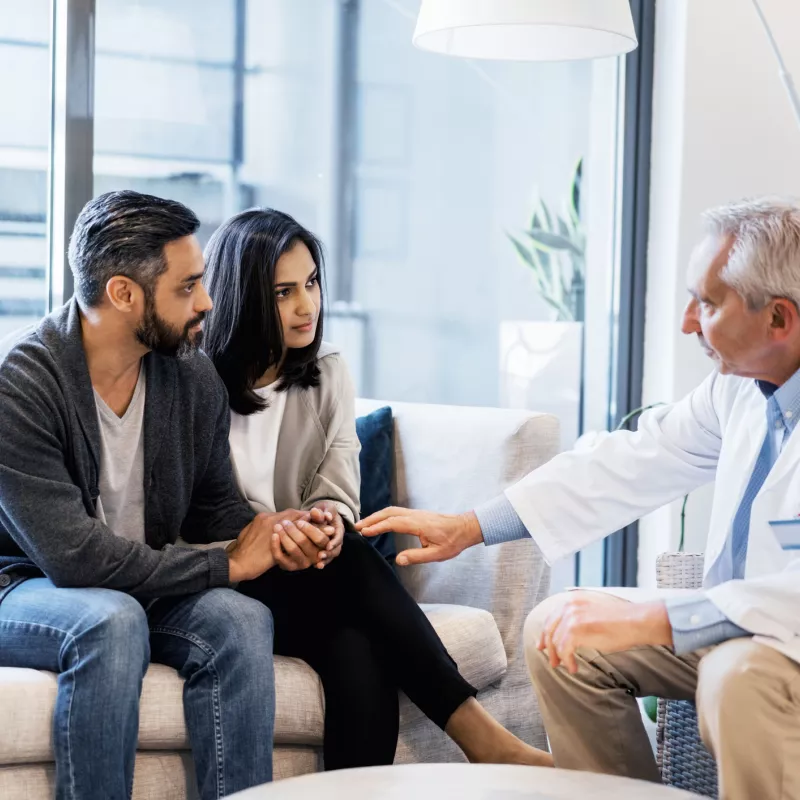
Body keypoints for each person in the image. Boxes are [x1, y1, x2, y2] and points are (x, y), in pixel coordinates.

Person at [358, 197, 800, 800]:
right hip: (743, 628)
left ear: (779, 320)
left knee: (735, 675)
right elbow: (630, 461)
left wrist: (657, 617)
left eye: (708, 303)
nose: (688, 323)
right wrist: (469, 525)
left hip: (773, 645)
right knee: (562, 630)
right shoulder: (743, 392)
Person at [0, 191, 330, 800]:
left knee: (241, 618)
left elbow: (216, 511)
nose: (207, 303)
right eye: (187, 287)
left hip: (140, 580)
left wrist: (279, 532)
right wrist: (225, 562)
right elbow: (71, 559)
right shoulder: (22, 382)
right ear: (124, 293)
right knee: (111, 621)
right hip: (26, 587)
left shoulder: (189, 373)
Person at [201, 207, 552, 771]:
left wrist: (321, 527)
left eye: (312, 283)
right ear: (243, 298)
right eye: (283, 292)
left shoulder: (327, 373)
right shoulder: (194, 384)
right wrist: (278, 538)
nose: (306, 305)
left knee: (359, 650)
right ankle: (482, 737)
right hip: (230, 582)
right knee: (355, 566)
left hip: (311, 575)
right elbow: (192, 515)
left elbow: (338, 489)